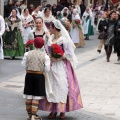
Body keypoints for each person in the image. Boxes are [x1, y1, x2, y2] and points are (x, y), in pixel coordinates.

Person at [39, 20, 83, 119]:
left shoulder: (64, 40)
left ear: (55, 28)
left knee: (62, 86)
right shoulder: (50, 37)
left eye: (51, 27)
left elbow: (69, 54)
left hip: (61, 65)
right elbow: (46, 49)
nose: (49, 29)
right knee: (52, 86)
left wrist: (59, 57)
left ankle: (62, 110)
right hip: (51, 65)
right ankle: (53, 110)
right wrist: (48, 56)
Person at [21, 37, 50, 120]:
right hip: (39, 76)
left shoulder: (27, 54)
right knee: (36, 97)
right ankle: (34, 116)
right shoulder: (45, 56)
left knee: (28, 95)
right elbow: (47, 69)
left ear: (34, 44)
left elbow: (23, 65)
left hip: (29, 75)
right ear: (42, 46)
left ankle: (29, 115)